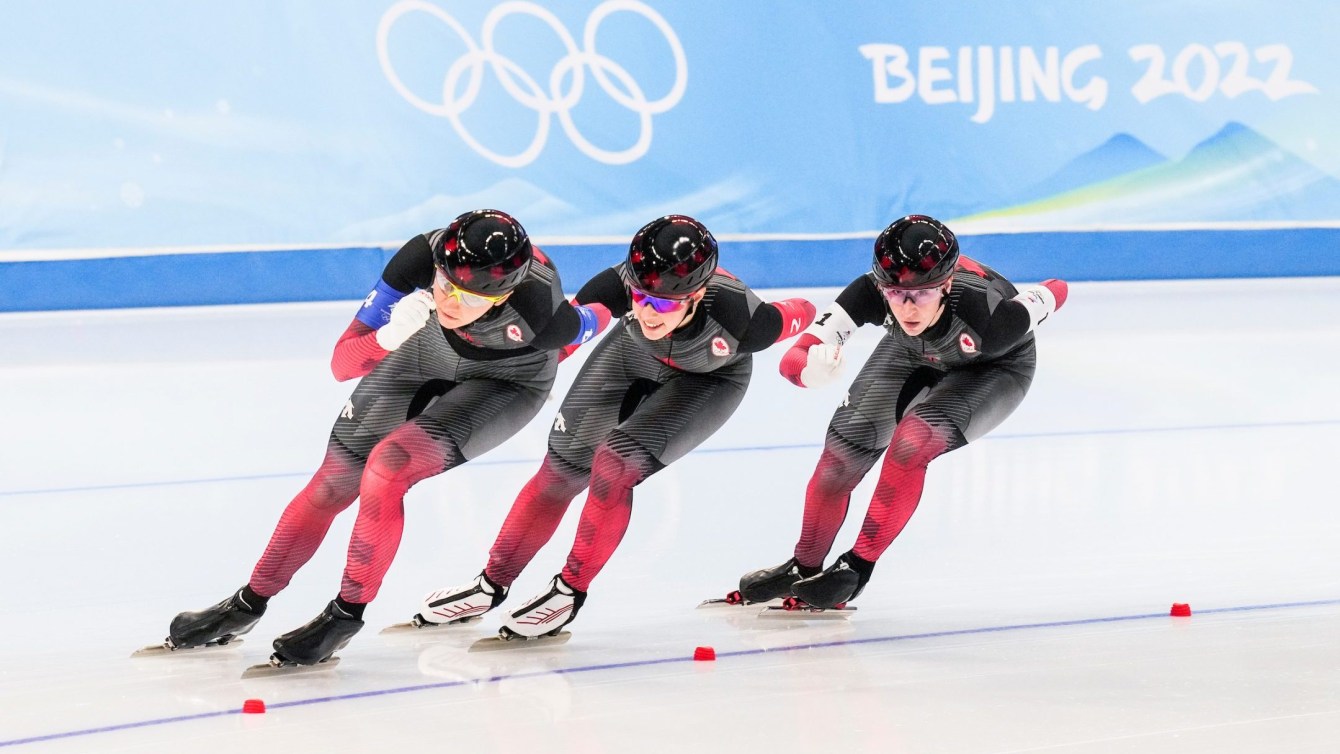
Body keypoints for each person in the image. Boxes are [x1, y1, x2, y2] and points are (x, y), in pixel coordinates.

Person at [160, 209, 611, 666]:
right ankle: (246, 604)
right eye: (444, 286)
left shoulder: (541, 312)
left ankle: (344, 615)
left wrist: (578, 340)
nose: (451, 302)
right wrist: (389, 335)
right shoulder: (420, 257)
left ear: (504, 296)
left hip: (507, 383)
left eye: (469, 297)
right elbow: (342, 364)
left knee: (386, 469)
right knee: (331, 481)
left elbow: (596, 316)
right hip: (424, 350)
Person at [410, 214, 816, 639]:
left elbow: (802, 311)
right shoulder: (617, 287)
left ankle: (568, 592)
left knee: (614, 465)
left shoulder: (743, 319)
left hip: (710, 379)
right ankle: (490, 584)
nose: (647, 312)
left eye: (663, 304)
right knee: (560, 468)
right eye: (640, 298)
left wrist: (816, 345)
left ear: (697, 295)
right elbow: (562, 334)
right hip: (630, 355)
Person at [737, 214, 1068, 608]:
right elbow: (796, 356)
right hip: (912, 352)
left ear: (946, 285)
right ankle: (804, 567)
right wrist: (809, 371)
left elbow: (1056, 289)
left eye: (922, 294)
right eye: (895, 294)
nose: (907, 308)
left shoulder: (993, 318)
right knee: (841, 451)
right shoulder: (871, 291)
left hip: (992, 365)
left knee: (912, 443)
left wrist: (1040, 295)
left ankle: (856, 568)